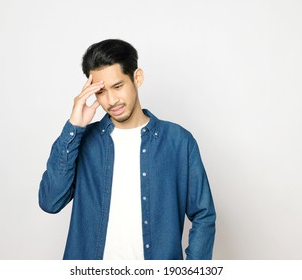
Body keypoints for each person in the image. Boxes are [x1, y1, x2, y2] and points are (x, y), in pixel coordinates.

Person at [39, 39, 216, 260]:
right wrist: (74, 128)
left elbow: (204, 215)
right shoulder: (82, 142)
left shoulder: (178, 142)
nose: (112, 100)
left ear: (137, 78)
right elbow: (50, 201)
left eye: (118, 86)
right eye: (101, 92)